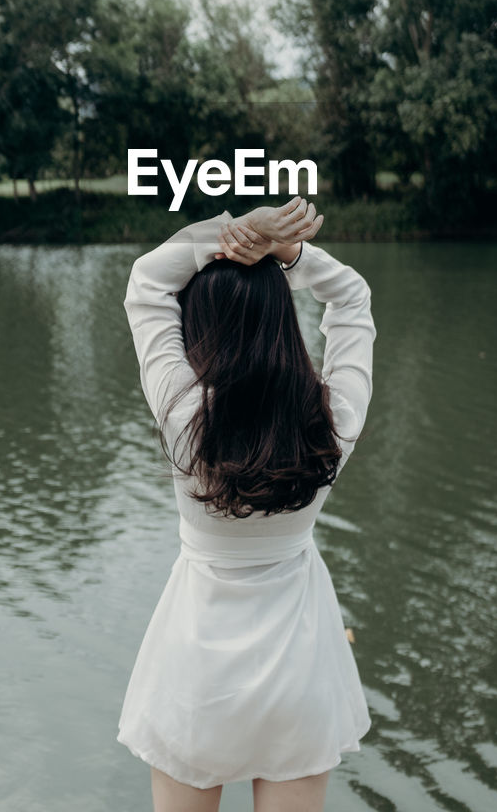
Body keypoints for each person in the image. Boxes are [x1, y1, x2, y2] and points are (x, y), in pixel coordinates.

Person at [117, 196, 376, 812]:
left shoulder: (186, 417)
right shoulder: (331, 420)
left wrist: (234, 234)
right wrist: (291, 253)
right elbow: (353, 298)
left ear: (197, 327)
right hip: (301, 666)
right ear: (284, 320)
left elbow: (147, 282)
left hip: (197, 668)